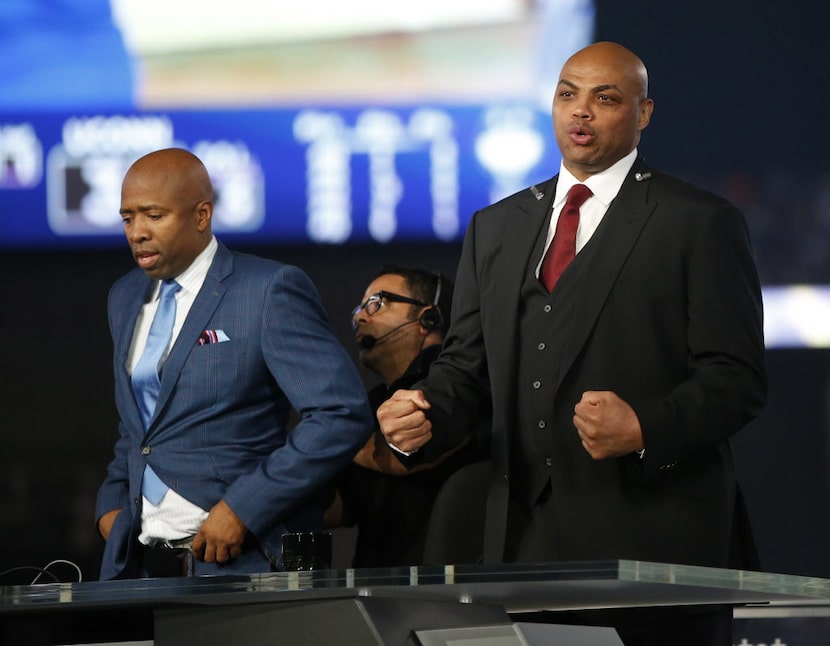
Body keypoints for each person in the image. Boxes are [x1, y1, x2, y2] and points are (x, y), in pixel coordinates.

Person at [376, 42, 767, 645]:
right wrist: (425, 412)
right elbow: (465, 370)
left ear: (643, 113)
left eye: (605, 98)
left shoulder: (698, 221)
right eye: (567, 94)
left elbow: (736, 379)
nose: (580, 112)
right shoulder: (496, 227)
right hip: (520, 551)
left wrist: (645, 425)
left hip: (656, 548)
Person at [94, 148, 373, 580]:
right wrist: (110, 508)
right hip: (144, 568)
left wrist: (244, 507)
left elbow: (340, 413)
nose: (137, 232)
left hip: (243, 562)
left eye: (153, 215)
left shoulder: (267, 290)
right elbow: (140, 426)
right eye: (128, 218)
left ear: (201, 215)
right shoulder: (125, 296)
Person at [326, 266, 486, 567]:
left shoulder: (460, 391)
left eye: (377, 302)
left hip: (448, 592)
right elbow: (339, 509)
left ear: (429, 318)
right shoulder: (370, 404)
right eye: (360, 308)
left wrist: (325, 434)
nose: (360, 317)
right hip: (375, 589)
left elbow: (410, 455)